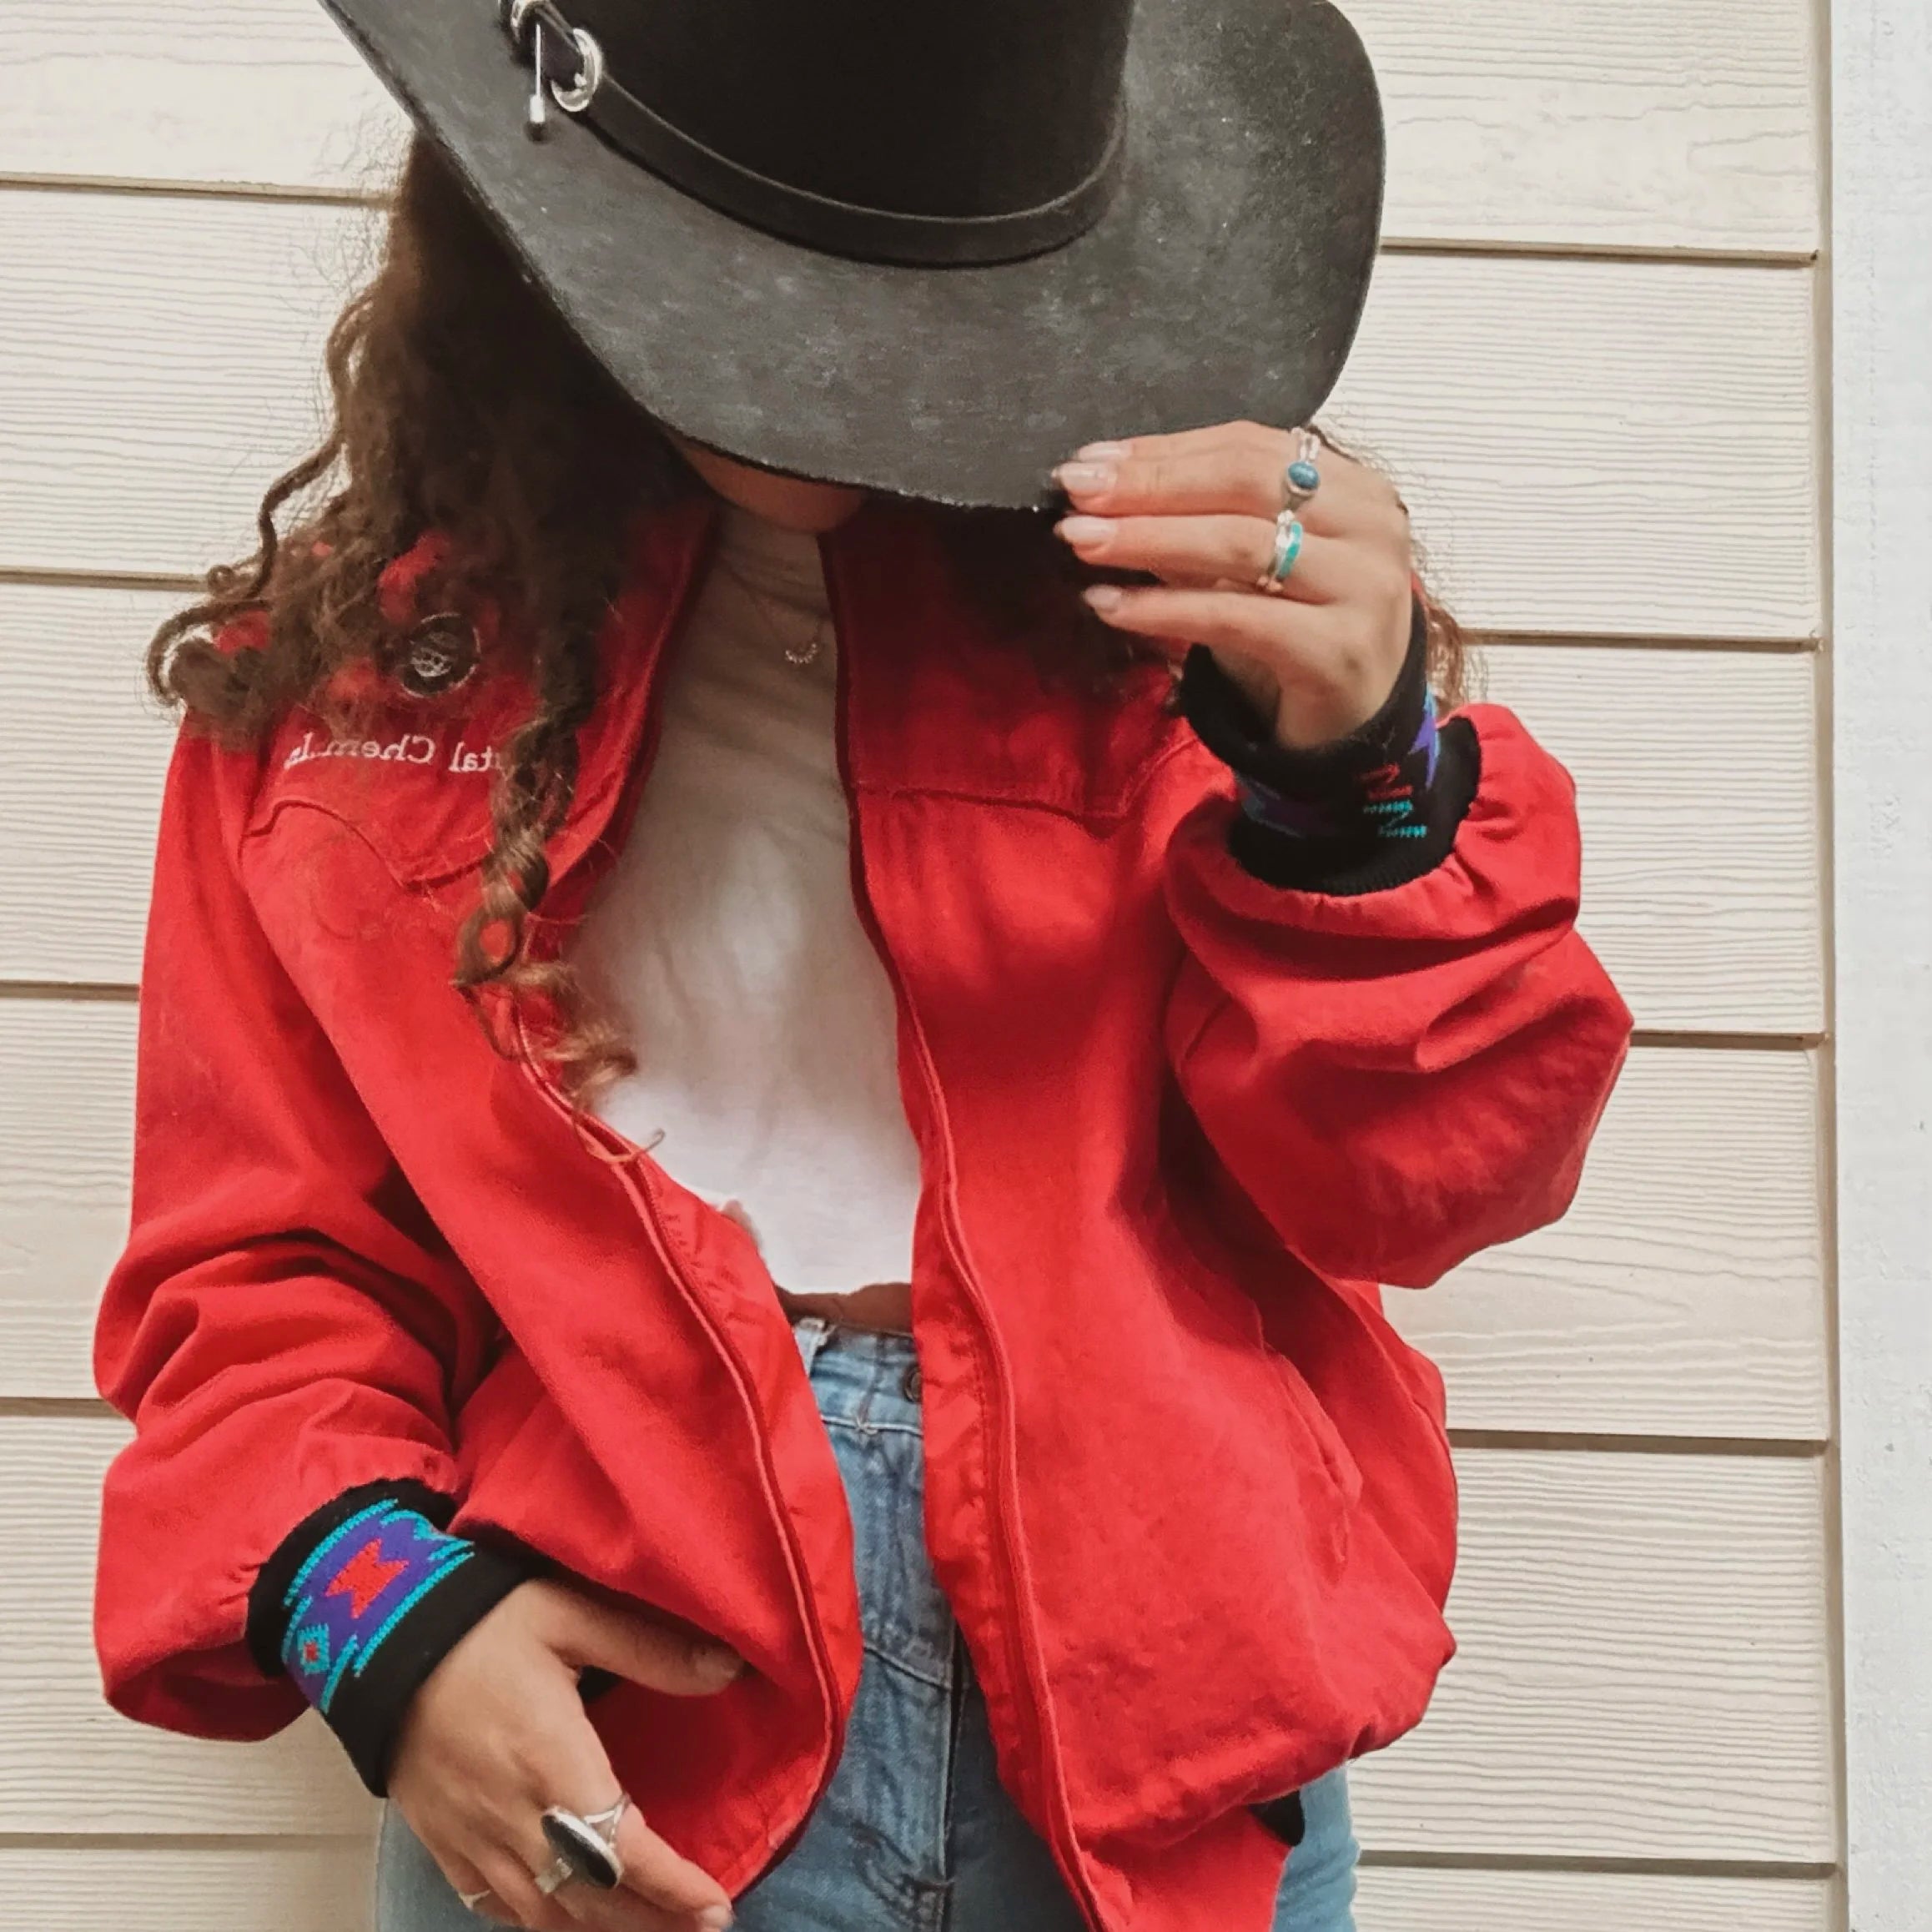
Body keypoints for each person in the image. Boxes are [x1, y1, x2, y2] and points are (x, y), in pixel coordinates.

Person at [90, 3, 1633, 1929]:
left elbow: (1437, 1180)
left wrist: (1365, 773)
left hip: (1161, 1716)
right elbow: (258, 1264)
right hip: (621, 1721)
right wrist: (384, 1631)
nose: (822, 361)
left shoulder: (1195, 634)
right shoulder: (341, 700)